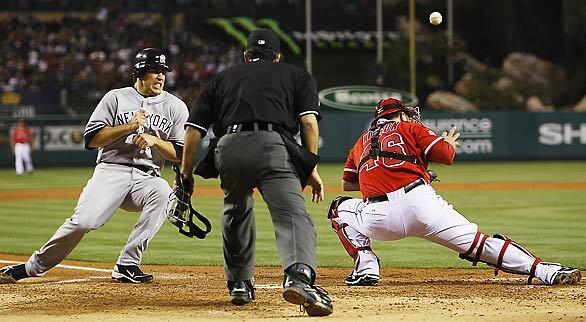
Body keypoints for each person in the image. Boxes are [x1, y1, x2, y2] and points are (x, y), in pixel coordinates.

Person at [327, 97, 582, 287]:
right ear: (401, 115)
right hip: (422, 204)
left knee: (340, 207)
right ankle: (545, 271)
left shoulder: (360, 142)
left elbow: (349, 185)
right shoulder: (411, 128)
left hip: (379, 218)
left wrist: (385, 177)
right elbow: (446, 156)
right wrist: (447, 143)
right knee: (479, 244)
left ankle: (367, 267)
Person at [0, 48, 188, 284]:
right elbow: (92, 139)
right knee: (85, 222)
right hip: (111, 170)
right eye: (154, 71)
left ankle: (128, 264)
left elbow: (179, 153)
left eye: (163, 71)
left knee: (162, 192)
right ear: (140, 72)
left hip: (146, 177)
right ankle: (30, 268)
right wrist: (127, 128)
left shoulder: (176, 107)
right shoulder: (115, 98)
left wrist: (156, 141)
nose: (160, 76)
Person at [178, 29, 333, 316]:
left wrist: (186, 174)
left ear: (246, 56)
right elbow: (309, 124)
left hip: (229, 148)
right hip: (273, 147)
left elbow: (193, 131)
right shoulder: (297, 75)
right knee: (290, 213)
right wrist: (309, 167)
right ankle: (298, 275)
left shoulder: (222, 78)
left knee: (236, 210)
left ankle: (239, 283)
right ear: (277, 57)